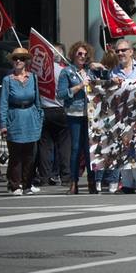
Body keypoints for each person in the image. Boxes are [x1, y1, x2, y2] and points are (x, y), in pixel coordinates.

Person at [58, 42, 105, 194]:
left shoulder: (89, 71)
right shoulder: (67, 72)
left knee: (89, 149)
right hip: (74, 113)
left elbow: (106, 83)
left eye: (85, 54)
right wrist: (79, 86)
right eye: (79, 54)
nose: (82, 57)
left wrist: (102, 69)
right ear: (73, 54)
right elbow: (61, 94)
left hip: (91, 114)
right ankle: (74, 182)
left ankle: (92, 181)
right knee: (76, 148)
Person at [108, 39, 136, 193]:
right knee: (123, 149)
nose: (120, 53)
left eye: (123, 50)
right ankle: (127, 184)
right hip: (121, 116)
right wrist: (112, 83)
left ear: (131, 52)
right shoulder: (114, 71)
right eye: (118, 51)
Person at [0, 47, 43, 196]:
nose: (18, 61)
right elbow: (3, 103)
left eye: (22, 58)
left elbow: (38, 101)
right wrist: (3, 125)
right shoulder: (7, 80)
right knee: (16, 155)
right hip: (14, 117)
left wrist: (39, 119)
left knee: (30, 154)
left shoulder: (33, 78)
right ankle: (14, 184)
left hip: (30, 117)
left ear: (26, 62)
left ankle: (27, 184)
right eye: (16, 58)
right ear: (12, 61)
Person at [35, 46, 69, 192]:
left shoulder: (38, 71)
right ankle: (66, 175)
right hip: (60, 109)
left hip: (44, 109)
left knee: (45, 145)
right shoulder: (63, 70)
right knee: (64, 145)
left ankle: (44, 176)